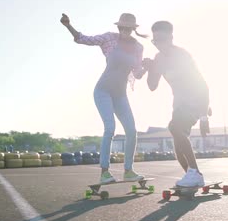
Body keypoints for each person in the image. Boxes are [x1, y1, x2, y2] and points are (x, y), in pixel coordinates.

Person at [60, 13, 147, 184]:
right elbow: (83, 39)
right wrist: (68, 26)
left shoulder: (138, 47)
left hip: (120, 94)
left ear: (133, 29)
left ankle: (128, 171)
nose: (125, 31)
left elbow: (137, 74)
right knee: (110, 129)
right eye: (122, 28)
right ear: (118, 27)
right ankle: (104, 172)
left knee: (131, 130)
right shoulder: (109, 38)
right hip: (103, 91)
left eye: (128, 28)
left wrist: (147, 68)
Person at [142, 21, 210, 187]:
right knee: (178, 147)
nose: (159, 44)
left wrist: (203, 116)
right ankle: (192, 177)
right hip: (179, 106)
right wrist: (150, 69)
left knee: (174, 128)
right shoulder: (158, 59)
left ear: (171, 38)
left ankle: (195, 173)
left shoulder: (182, 56)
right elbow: (152, 86)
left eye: (162, 39)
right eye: (155, 41)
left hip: (195, 101)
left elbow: (203, 85)